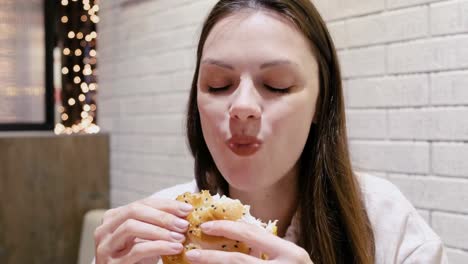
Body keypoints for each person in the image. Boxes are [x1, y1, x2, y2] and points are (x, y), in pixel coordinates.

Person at [94, 0, 448, 263]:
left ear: (320, 105)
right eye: (218, 85)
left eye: (276, 86)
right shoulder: (152, 237)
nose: (242, 106)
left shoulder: (389, 227)